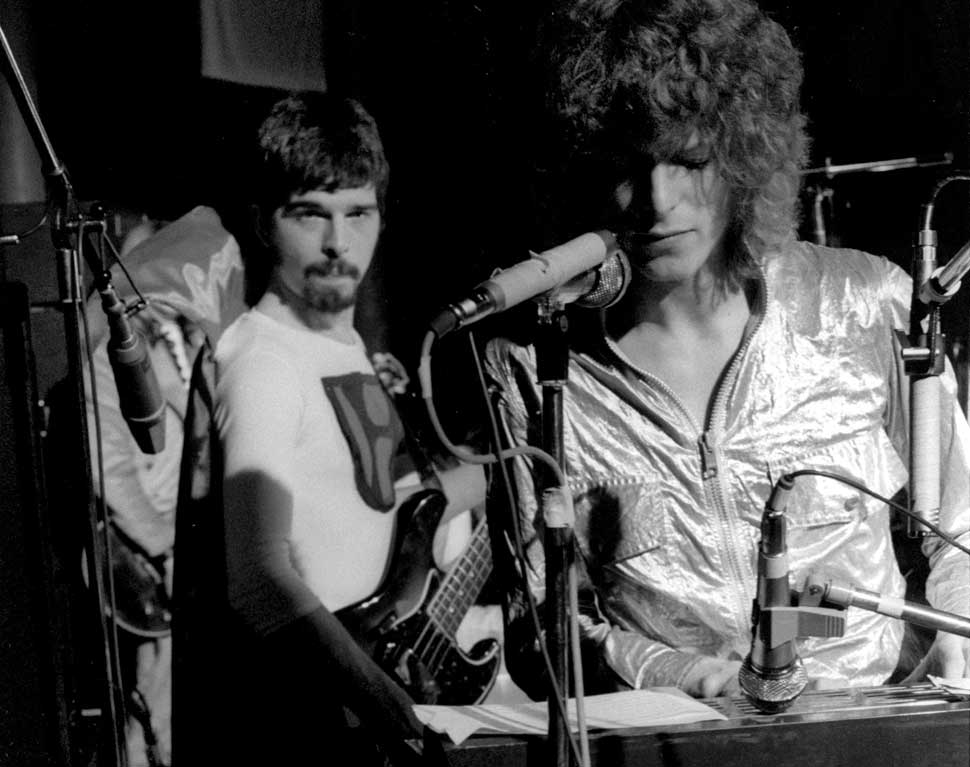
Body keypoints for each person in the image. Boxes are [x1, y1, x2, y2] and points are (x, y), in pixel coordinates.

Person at [485, 0, 970, 700]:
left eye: (689, 160)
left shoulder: (863, 301)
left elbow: (961, 528)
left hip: (873, 725)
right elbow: (539, 627)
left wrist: (956, 632)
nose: (657, 200)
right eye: (626, 166)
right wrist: (681, 674)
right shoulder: (536, 366)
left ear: (747, 156)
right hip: (681, 739)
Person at [191, 92, 482, 765]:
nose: (337, 243)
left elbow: (386, 515)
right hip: (314, 722)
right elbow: (257, 578)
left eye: (358, 213)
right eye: (309, 214)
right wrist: (382, 701)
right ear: (263, 223)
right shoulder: (264, 361)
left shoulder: (350, 351)